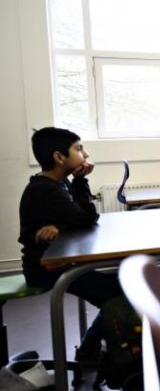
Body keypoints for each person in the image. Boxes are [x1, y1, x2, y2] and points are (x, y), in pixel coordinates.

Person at [18, 127, 124, 366]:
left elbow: (76, 216)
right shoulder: (45, 189)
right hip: (47, 269)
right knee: (121, 294)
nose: (86, 154)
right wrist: (82, 180)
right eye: (78, 149)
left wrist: (60, 225)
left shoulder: (57, 183)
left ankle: (92, 349)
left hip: (60, 262)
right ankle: (90, 352)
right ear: (59, 157)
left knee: (122, 285)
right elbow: (87, 217)